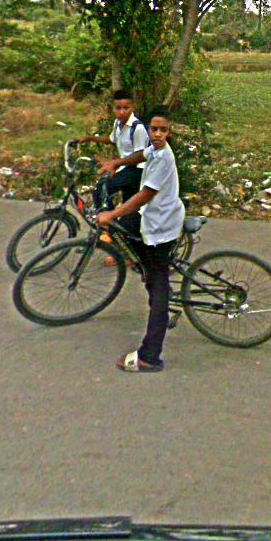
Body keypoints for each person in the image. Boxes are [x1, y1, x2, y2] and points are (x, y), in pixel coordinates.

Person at [97, 108, 185, 372]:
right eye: (154, 129)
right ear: (148, 130)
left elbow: (144, 195)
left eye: (163, 130)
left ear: (169, 132)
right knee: (127, 230)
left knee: (158, 284)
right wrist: (117, 162)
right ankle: (149, 275)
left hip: (161, 226)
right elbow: (141, 154)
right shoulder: (155, 150)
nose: (157, 134)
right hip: (154, 218)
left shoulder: (164, 159)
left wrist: (112, 213)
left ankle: (150, 356)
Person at [78, 89, 150, 239]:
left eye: (126, 108)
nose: (122, 112)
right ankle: (126, 237)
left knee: (103, 188)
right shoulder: (117, 123)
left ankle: (108, 227)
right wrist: (90, 138)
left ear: (133, 107)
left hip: (137, 170)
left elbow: (141, 155)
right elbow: (112, 139)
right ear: (113, 109)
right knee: (129, 207)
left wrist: (116, 162)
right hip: (125, 168)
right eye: (118, 108)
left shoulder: (137, 128)